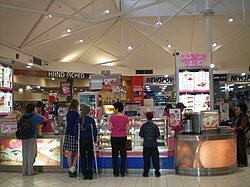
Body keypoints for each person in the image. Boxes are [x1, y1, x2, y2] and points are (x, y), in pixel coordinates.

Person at [22, 103, 46, 176]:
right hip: (32, 137)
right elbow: (44, 119)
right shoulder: (34, 116)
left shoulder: (23, 116)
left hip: (23, 137)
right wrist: (36, 113)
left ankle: (24, 171)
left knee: (25, 154)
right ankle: (30, 171)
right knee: (31, 154)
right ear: (33, 109)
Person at [74, 105, 97, 180]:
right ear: (89, 111)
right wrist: (94, 139)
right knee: (90, 156)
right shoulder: (91, 120)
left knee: (83, 157)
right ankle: (90, 173)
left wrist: (77, 139)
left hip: (82, 140)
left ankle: (84, 173)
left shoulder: (79, 120)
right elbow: (94, 131)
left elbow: (75, 131)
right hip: (89, 139)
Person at [108, 102, 130, 177]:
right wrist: (123, 129)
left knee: (114, 155)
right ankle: (123, 172)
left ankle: (115, 172)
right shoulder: (126, 118)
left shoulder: (112, 117)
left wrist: (114, 128)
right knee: (123, 155)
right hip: (123, 137)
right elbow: (128, 128)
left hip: (114, 137)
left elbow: (109, 128)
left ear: (117, 109)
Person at [139, 111, 161, 177]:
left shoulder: (143, 126)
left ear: (146, 117)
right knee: (155, 159)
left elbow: (141, 134)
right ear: (152, 117)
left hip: (146, 145)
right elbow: (158, 135)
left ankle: (146, 172)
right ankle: (157, 172)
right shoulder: (155, 126)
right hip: (154, 144)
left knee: (146, 159)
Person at [63, 99, 80, 177]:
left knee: (69, 152)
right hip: (74, 134)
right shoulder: (76, 114)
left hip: (68, 134)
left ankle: (70, 169)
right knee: (78, 152)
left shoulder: (68, 113)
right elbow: (77, 125)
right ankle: (73, 168)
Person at [232, 103, 249, 167]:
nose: (237, 109)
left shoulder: (243, 116)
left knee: (242, 148)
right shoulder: (240, 116)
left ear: (241, 109)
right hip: (239, 134)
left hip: (242, 134)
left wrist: (235, 129)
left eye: (238, 108)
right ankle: (240, 161)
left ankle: (243, 162)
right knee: (239, 147)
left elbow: (242, 126)